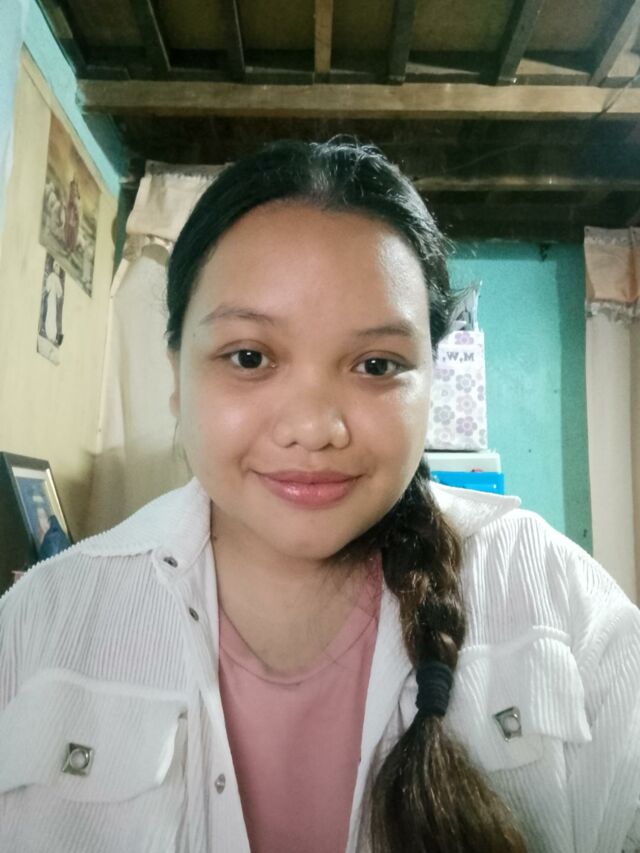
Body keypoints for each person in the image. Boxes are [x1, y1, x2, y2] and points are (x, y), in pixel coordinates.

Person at [1, 139, 639, 853]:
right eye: (249, 357)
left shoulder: (558, 603)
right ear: (177, 374)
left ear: (432, 380)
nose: (314, 428)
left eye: (377, 365)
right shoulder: (41, 624)